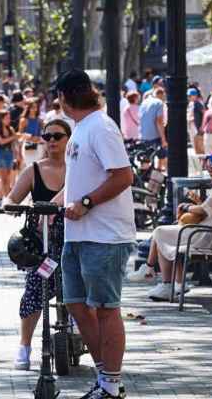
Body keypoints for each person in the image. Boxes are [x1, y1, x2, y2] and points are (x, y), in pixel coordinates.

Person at [55, 69, 135, 399]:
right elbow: (80, 180)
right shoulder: (80, 129)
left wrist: (86, 203)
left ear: (64, 97)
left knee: (105, 307)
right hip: (77, 234)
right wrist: (48, 204)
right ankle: (105, 379)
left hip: (104, 235)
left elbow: (123, 176)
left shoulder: (101, 127)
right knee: (75, 304)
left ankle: (111, 385)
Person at [4, 119, 71, 370]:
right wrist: (9, 205)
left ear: (68, 139)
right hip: (42, 245)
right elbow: (13, 196)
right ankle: (24, 346)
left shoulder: (78, 168)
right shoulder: (34, 170)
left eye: (58, 136)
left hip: (72, 240)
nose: (52, 141)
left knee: (80, 287)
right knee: (35, 289)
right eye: (47, 136)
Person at [129, 147, 212, 300]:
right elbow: (210, 209)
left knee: (161, 232)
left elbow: (203, 210)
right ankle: (172, 282)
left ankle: (159, 277)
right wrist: (196, 205)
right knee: (166, 232)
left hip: (210, 234)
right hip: (211, 231)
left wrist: (187, 206)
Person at [0, 110, 17, 205]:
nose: (9, 120)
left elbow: (14, 143)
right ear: (1, 119)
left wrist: (16, 154)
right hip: (0, 154)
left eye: (9, 118)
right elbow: (1, 141)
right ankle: (6, 200)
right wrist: (13, 137)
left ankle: (1, 198)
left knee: (8, 178)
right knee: (4, 179)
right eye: (6, 118)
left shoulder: (10, 129)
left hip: (9, 154)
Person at [139, 87, 168, 170]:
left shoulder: (144, 102)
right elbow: (159, 121)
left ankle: (144, 179)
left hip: (143, 135)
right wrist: (163, 139)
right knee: (163, 157)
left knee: (145, 161)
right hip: (155, 136)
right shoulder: (159, 103)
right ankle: (160, 180)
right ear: (161, 95)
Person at [19, 99, 43, 167]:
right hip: (28, 146)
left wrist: (39, 138)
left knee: (37, 168)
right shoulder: (24, 120)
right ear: (28, 108)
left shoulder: (40, 120)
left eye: (36, 107)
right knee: (29, 167)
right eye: (32, 107)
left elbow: (43, 132)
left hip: (38, 146)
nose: (34, 109)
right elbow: (20, 134)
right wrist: (30, 136)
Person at [188, 87, 206, 155]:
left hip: (197, 128)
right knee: (195, 146)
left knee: (200, 148)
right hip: (192, 127)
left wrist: (202, 125)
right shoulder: (190, 103)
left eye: (190, 95)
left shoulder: (197, 103)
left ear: (195, 95)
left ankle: (203, 164)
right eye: (188, 96)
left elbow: (204, 113)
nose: (188, 97)